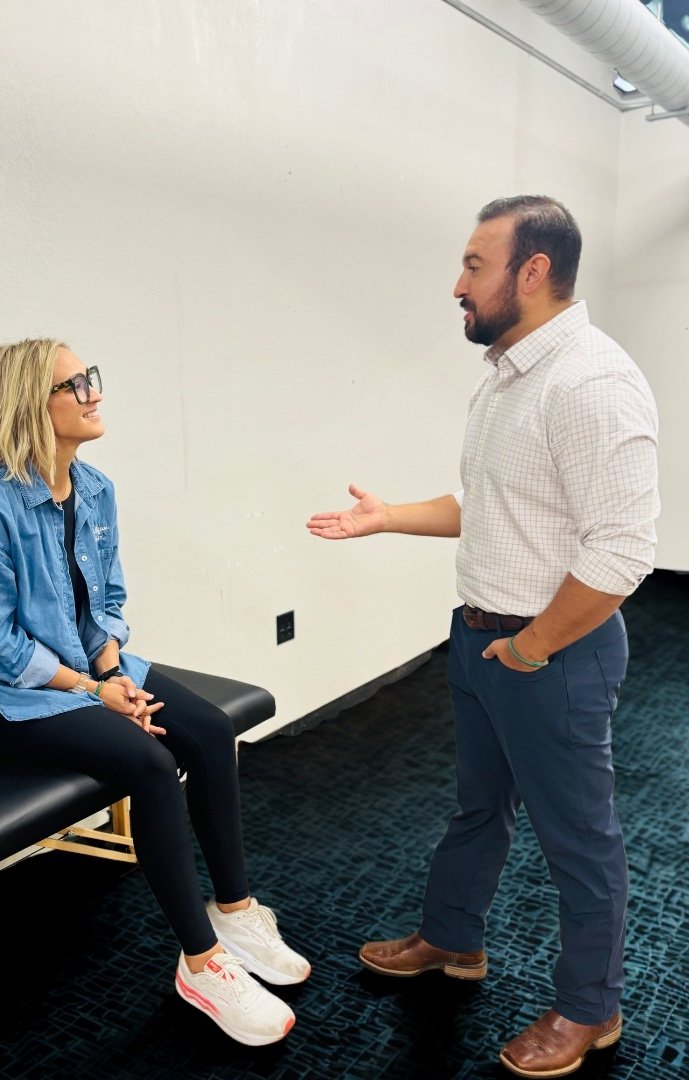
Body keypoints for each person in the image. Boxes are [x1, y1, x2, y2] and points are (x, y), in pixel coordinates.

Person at [307, 196, 659, 1078]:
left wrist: (535, 647)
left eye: (473, 265)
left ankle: (590, 1009)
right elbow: (493, 510)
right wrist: (388, 518)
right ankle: (452, 941)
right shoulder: (509, 376)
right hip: (481, 642)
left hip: (551, 655)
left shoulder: (591, 381)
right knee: (477, 809)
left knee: (578, 839)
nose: (456, 284)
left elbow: (621, 552)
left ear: (530, 271)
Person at [0, 338, 310, 1047]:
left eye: (89, 378)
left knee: (208, 729)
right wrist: (93, 690)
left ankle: (234, 908)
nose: (93, 392)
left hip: (82, 670)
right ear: (28, 406)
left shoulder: (94, 487)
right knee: (149, 760)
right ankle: (201, 963)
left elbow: (106, 600)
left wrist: (109, 671)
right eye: (73, 384)